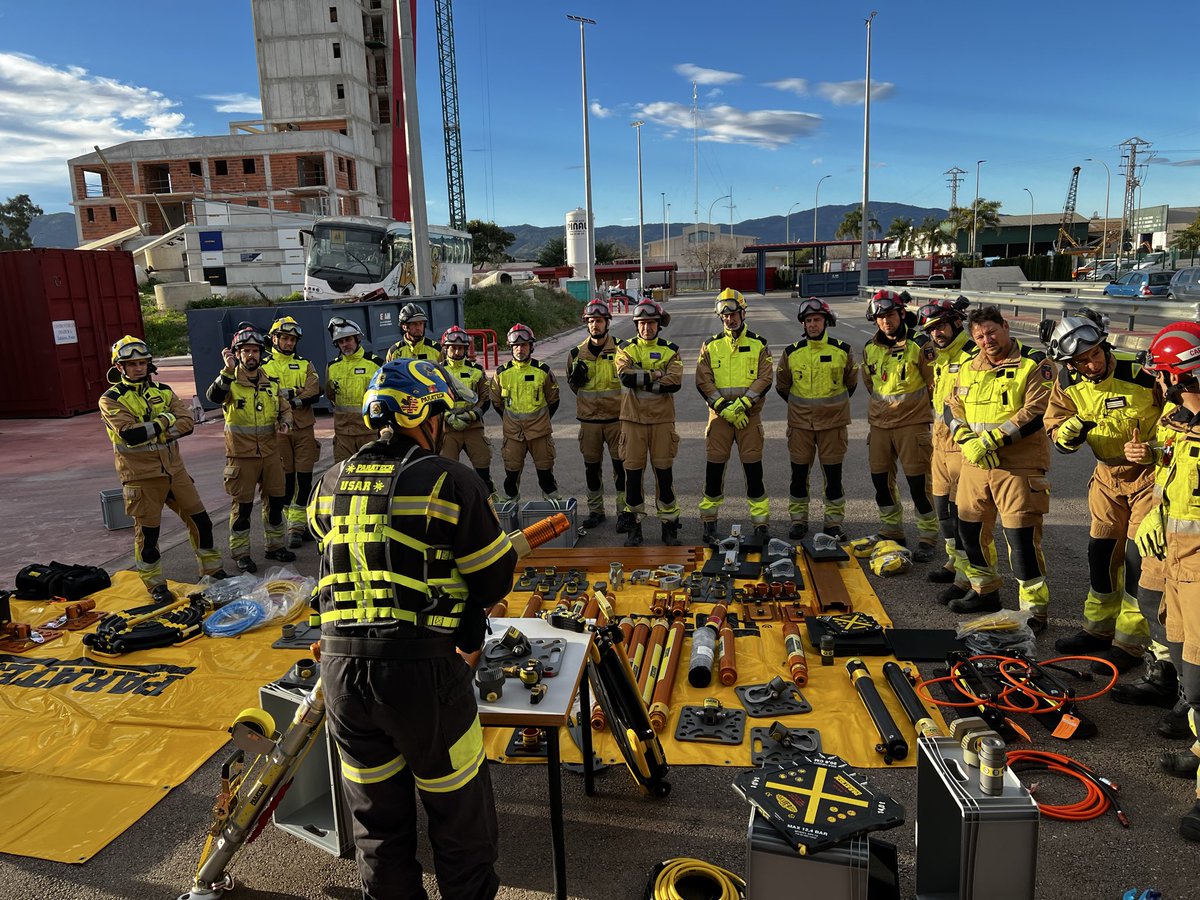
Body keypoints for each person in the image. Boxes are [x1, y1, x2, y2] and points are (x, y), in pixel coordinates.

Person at [307, 357, 518, 896]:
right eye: (439, 414)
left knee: (378, 831)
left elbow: (343, 554)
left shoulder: (328, 482)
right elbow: (492, 579)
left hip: (341, 676)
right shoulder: (450, 479)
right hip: (422, 677)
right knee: (460, 822)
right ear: (424, 415)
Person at [1043, 311, 1165, 677]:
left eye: (1095, 354)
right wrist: (1070, 431)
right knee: (1101, 554)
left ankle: (1129, 643)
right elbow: (1056, 429)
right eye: (1081, 361)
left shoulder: (1141, 373)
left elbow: (1182, 417)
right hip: (1107, 477)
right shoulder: (1067, 381)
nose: (1092, 364)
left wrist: (1154, 450)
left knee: (1136, 559)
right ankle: (1097, 629)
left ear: (1104, 345)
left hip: (1149, 477)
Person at [1132, 321, 1200, 841]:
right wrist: (1156, 505)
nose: (1157, 383)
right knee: (1183, 665)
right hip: (1176, 563)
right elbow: (1176, 473)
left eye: (1161, 375)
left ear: (1181, 377)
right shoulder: (1180, 422)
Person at [945, 306, 1054, 626]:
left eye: (992, 332)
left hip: (1018, 466)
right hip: (975, 462)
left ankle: (1033, 610)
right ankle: (984, 590)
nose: (986, 340)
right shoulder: (969, 366)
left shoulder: (1034, 363)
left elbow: (1036, 412)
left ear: (1005, 327)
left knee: (1021, 540)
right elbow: (953, 407)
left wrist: (991, 441)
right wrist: (967, 440)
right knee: (969, 531)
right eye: (979, 336)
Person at [99, 336, 226, 599]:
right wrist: (166, 419)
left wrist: (157, 430)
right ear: (120, 367)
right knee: (148, 535)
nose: (139, 368)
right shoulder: (111, 399)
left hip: (174, 471)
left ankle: (212, 571)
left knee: (202, 522)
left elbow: (187, 422)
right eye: (132, 364)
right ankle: (155, 585)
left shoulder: (163, 390)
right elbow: (131, 435)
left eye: (142, 363)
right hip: (141, 478)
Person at [206, 324, 295, 573]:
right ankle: (241, 553)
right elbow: (213, 397)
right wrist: (227, 370)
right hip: (241, 457)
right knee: (243, 508)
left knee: (276, 503)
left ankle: (275, 546)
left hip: (270, 454)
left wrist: (286, 422)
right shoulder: (230, 382)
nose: (251, 355)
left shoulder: (271, 383)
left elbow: (285, 408)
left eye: (255, 351)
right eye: (246, 351)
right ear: (237, 354)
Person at [860, 289, 939, 560]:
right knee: (881, 482)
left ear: (902, 314)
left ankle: (927, 536)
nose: (886, 321)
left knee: (919, 485)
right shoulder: (870, 348)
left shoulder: (920, 345)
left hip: (912, 425)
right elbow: (870, 383)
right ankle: (891, 530)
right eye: (880, 317)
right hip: (879, 425)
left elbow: (934, 385)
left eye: (890, 315)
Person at [695, 288, 774, 542]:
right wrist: (724, 408)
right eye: (725, 316)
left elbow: (765, 379)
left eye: (734, 314)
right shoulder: (710, 346)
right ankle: (709, 521)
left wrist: (741, 405)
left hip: (749, 417)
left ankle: (760, 524)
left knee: (754, 472)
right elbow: (703, 380)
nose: (730, 319)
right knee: (714, 472)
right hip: (719, 419)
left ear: (743, 313)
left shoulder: (759, 344)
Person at [774, 297, 856, 541]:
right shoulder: (791, 353)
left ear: (825, 321)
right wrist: (802, 409)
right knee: (799, 476)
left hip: (833, 426)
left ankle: (833, 523)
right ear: (803, 324)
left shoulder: (843, 350)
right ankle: (799, 520)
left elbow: (851, 384)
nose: (812, 324)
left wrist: (831, 409)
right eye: (808, 320)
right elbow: (782, 386)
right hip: (800, 426)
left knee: (833, 477)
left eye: (817, 320)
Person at [918, 296, 978, 598]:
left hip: (962, 447)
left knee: (961, 515)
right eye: (931, 329)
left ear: (956, 323)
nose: (936, 333)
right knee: (942, 510)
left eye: (941, 326)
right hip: (940, 445)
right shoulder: (940, 357)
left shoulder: (973, 355)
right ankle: (955, 562)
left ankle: (968, 578)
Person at [615, 298, 683, 547]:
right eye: (642, 323)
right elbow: (625, 377)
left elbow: (674, 383)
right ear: (636, 325)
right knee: (633, 477)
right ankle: (634, 528)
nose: (646, 328)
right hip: (632, 421)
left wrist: (642, 377)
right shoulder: (626, 349)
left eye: (651, 323)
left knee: (664, 476)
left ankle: (669, 526)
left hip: (662, 422)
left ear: (658, 325)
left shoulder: (671, 350)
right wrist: (656, 374)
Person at [566, 300, 628, 530]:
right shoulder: (576, 354)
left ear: (607, 323)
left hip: (616, 421)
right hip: (589, 422)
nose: (595, 325)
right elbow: (574, 386)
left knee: (621, 469)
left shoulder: (622, 349)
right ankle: (596, 511)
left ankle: (624, 512)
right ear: (587, 324)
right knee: (592, 469)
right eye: (591, 321)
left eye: (599, 320)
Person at [262, 316, 321, 549]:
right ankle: (295, 525)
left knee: (305, 479)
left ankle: (297, 526)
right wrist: (296, 391)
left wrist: (285, 396)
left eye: (292, 340)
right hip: (279, 431)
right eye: (285, 338)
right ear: (274, 339)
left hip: (304, 429)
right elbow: (266, 396)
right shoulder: (264, 367)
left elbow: (313, 391)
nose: (289, 343)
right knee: (285, 481)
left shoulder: (306, 364)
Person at [489, 323, 561, 505]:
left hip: (540, 433)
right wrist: (509, 421)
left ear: (531, 346)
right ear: (511, 347)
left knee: (545, 475)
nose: (520, 349)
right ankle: (511, 510)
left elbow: (553, 400)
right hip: (513, 434)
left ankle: (553, 508)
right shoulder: (501, 373)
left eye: (524, 345)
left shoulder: (543, 371)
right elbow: (497, 403)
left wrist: (542, 421)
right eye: (516, 346)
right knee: (511, 476)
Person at [439, 325, 496, 497]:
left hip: (473, 427)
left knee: (482, 466)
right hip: (448, 429)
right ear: (446, 348)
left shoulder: (476, 370)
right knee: (446, 471)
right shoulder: (437, 371)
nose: (457, 352)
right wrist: (446, 416)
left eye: (461, 348)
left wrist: (472, 414)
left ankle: (488, 498)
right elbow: (432, 399)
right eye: (453, 348)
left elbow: (486, 398)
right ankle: (452, 502)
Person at [326, 316, 385, 463]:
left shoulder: (376, 364)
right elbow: (331, 395)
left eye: (348, 339)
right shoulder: (332, 367)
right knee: (343, 472)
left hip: (368, 432)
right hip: (343, 435)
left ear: (357, 339)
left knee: (370, 472)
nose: (345, 344)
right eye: (341, 342)